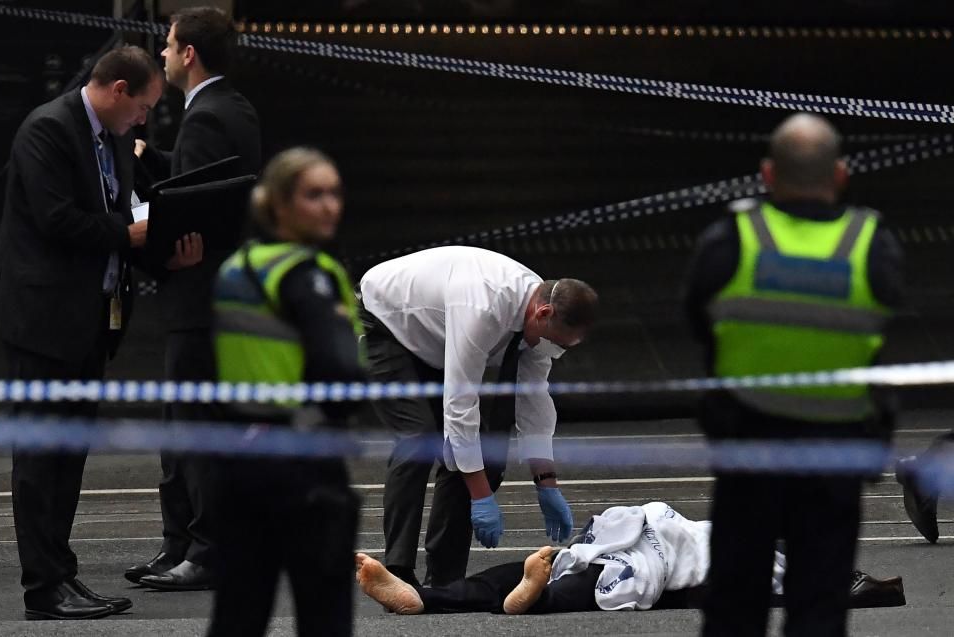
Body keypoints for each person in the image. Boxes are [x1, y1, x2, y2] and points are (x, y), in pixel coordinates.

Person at [683, 113, 904, 637]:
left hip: (748, 448)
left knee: (736, 603)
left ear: (767, 174)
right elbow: (886, 327)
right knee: (819, 608)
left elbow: (697, 321)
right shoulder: (871, 244)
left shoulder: (732, 240)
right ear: (841, 175)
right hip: (836, 454)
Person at [0, 46, 165, 620]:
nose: (144, 120)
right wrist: (131, 236)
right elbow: (57, 220)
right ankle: (43, 587)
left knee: (68, 453)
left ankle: (62, 574)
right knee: (40, 457)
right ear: (116, 90)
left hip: (88, 316)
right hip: (41, 318)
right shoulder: (48, 128)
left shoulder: (108, 136)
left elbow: (117, 204)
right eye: (143, 108)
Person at [358, 246, 599, 587]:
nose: (553, 352)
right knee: (420, 439)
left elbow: (533, 399)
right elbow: (460, 405)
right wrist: (481, 496)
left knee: (481, 457)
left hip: (435, 336)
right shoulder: (483, 307)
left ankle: (444, 581)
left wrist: (546, 483)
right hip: (388, 320)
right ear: (542, 313)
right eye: (555, 344)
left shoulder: (538, 321)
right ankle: (397, 571)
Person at [125, 5, 263, 592]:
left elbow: (201, 210)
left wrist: (156, 246)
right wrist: (151, 163)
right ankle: (180, 543)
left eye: (168, 43)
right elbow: (202, 183)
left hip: (200, 297)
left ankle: (203, 551)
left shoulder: (205, 116)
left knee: (193, 429)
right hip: (219, 297)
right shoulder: (230, 106)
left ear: (189, 54)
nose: (160, 52)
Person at [205, 148, 365, 637]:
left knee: (237, 615)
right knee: (324, 618)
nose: (329, 206)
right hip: (304, 465)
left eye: (335, 194)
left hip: (237, 464)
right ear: (277, 203)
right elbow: (341, 378)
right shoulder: (308, 274)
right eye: (313, 195)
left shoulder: (235, 269)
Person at [354, 502, 906, 616]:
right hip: (644, 548)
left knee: (550, 578)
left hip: (654, 563)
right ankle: (420, 597)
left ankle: (442, 599)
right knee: (554, 572)